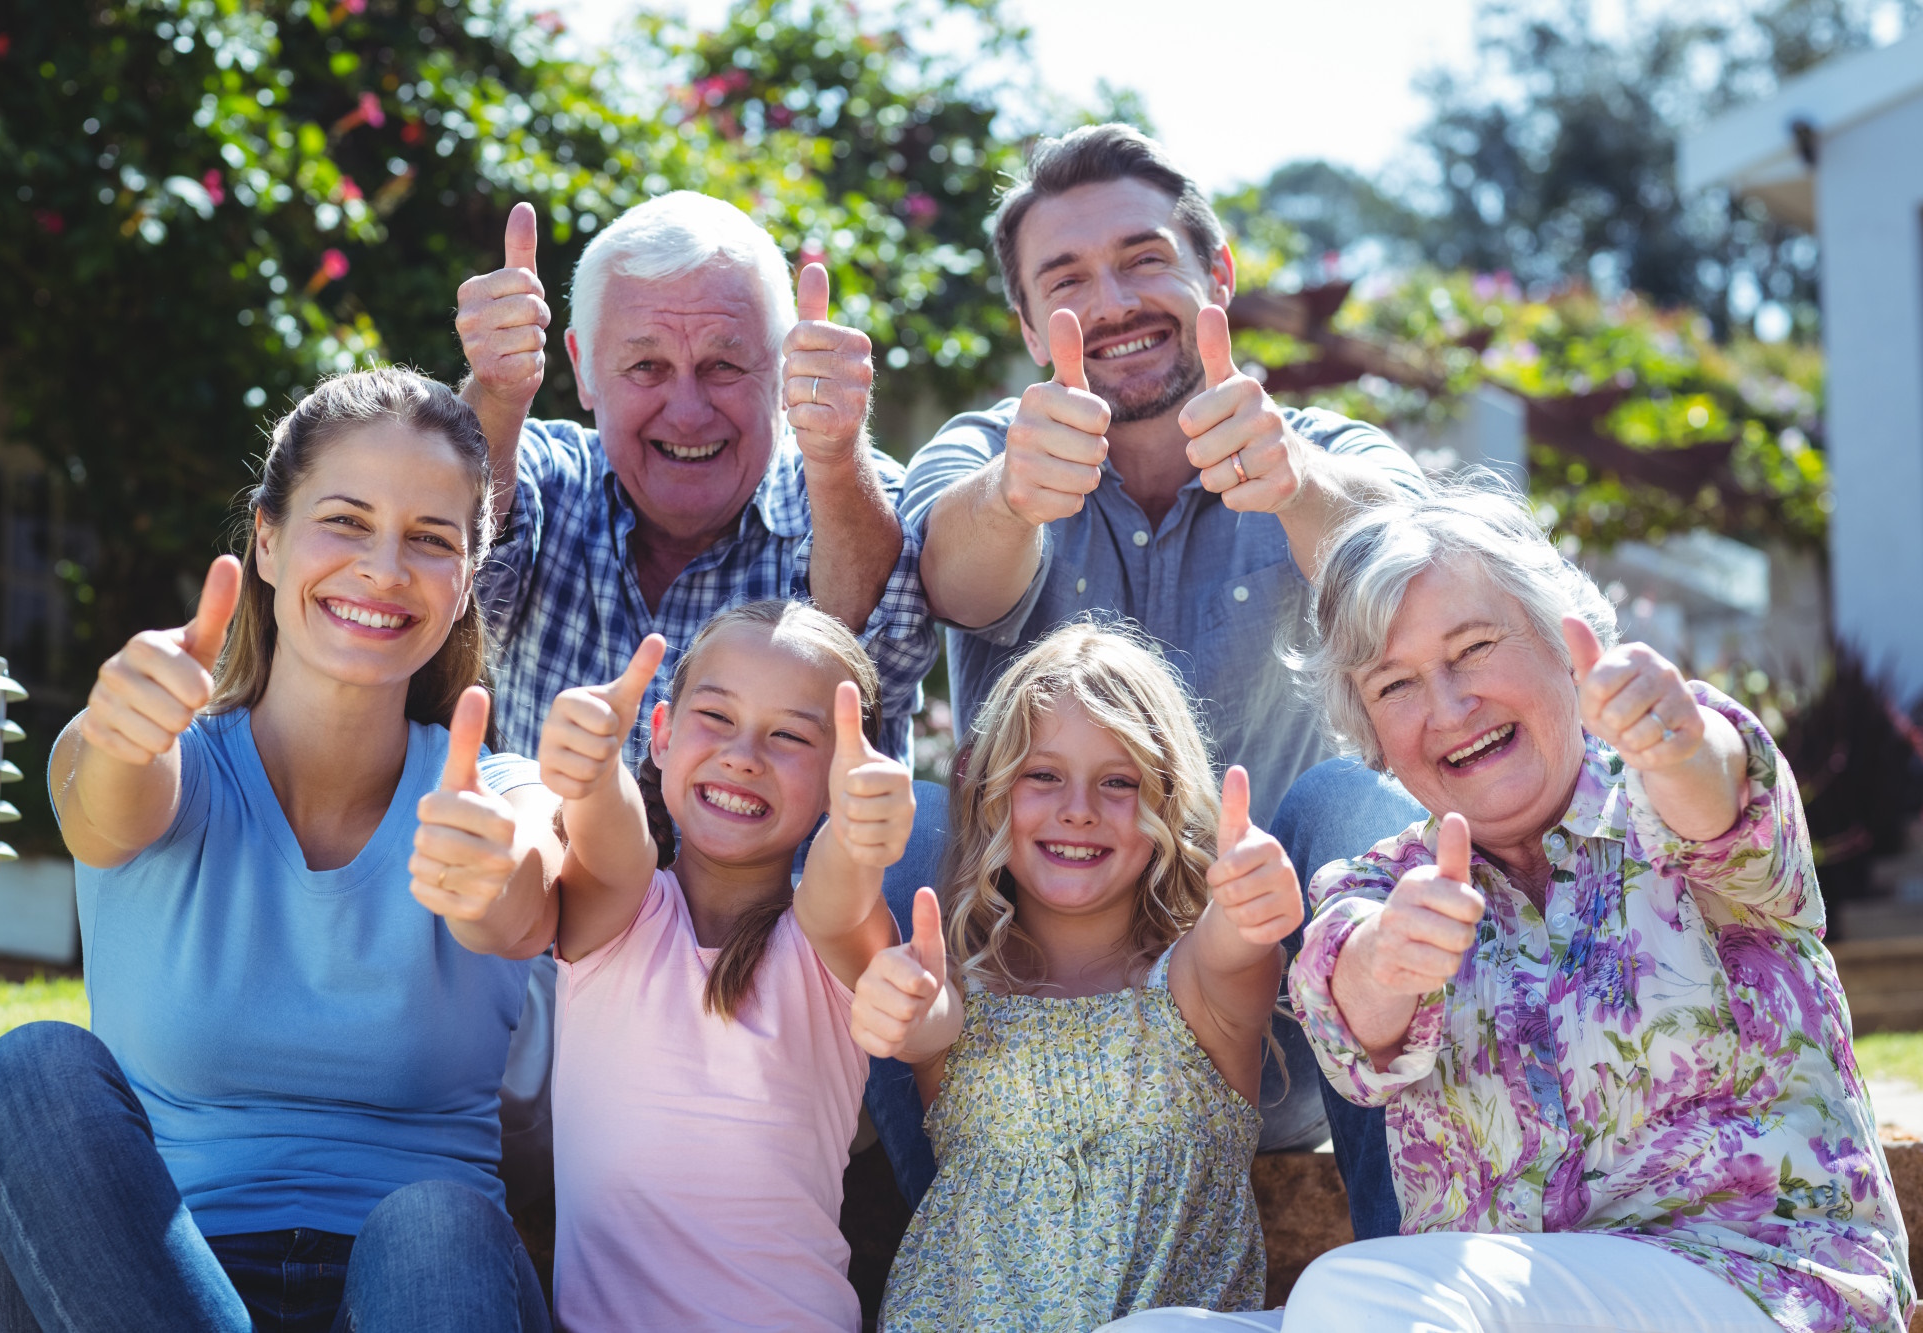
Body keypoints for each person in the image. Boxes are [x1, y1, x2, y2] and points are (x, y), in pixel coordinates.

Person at [896, 121, 1425, 1226]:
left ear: (1213, 273)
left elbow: (1418, 572)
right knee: (897, 823)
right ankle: (945, 1252)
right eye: (1068, 278)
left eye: (1143, 259)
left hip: (1285, 1032)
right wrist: (1012, 496)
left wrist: (1298, 489)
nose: (1116, 298)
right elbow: (948, 575)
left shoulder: (1324, 448)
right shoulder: (985, 449)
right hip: (1027, 1039)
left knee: (1350, 804)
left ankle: (1409, 1261)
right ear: (1030, 323)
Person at [0, 369, 559, 1332]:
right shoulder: (158, 755)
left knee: (437, 1222)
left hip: (420, 1294)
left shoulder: (500, 794)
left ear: (467, 581)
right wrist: (116, 736)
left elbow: (522, 891)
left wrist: (492, 871)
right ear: (268, 541)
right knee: (30, 1072)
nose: (385, 567)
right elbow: (102, 804)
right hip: (156, 1288)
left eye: (431, 539)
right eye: (347, 521)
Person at [1270, 482, 1912, 1332]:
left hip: (1761, 1284)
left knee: (1355, 1294)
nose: (1449, 709)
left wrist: (1679, 745)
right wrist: (1388, 958)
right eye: (1395, 685)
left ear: (1560, 639)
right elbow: (1350, 1006)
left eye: (1474, 648)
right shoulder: (1385, 885)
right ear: (1367, 725)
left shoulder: (1664, 796)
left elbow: (1719, 790)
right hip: (1497, 1309)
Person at [453, 193, 944, 1203]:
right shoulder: (541, 472)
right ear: (583, 371)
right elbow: (450, 538)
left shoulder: (846, 488)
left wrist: (833, 450)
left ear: (781, 372)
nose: (685, 409)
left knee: (925, 828)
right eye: (644, 368)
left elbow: (874, 656)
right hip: (545, 1003)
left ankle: (926, 1229)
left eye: (724, 365)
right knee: (503, 788)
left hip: (779, 1036)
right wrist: (495, 394)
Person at [855, 623, 1301, 1330]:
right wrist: (902, 1004)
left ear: (1167, 800)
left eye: (1118, 781)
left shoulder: (1194, 990)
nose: (1079, 808)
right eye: (1044, 775)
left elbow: (1232, 949)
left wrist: (1251, 904)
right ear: (991, 792)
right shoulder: (963, 992)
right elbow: (928, 1020)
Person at [530, 599, 913, 1332]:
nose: (744, 755)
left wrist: (865, 835)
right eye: (717, 718)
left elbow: (842, 882)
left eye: (791, 736)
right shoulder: (620, 909)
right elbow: (609, 832)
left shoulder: (826, 936)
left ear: (842, 779)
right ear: (664, 735)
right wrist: (590, 764)